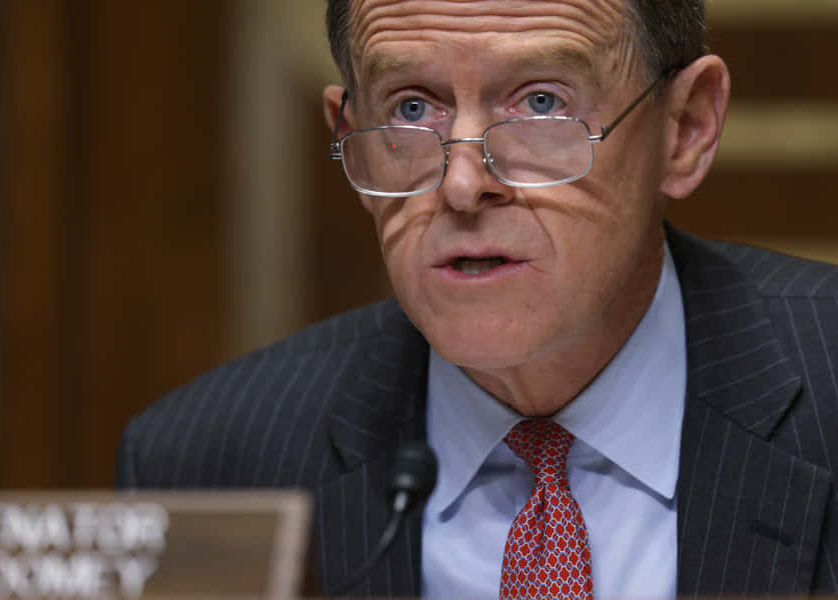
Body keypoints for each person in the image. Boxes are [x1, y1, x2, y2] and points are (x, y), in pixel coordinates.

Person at [117, 0, 838, 597]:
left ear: (686, 128)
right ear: (351, 141)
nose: (463, 185)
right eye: (409, 109)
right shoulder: (209, 465)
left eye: (542, 103)